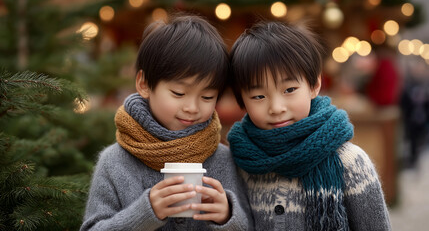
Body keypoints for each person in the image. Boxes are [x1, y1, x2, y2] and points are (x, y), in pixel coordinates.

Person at [80, 14, 253, 231]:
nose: (192, 107)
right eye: (179, 93)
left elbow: (251, 225)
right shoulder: (115, 162)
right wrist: (145, 212)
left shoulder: (223, 160)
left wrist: (228, 216)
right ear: (144, 84)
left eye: (207, 97)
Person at [227, 20, 391, 230]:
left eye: (289, 90)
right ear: (242, 100)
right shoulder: (242, 161)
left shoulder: (350, 163)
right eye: (259, 96)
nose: (276, 108)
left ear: (314, 85)